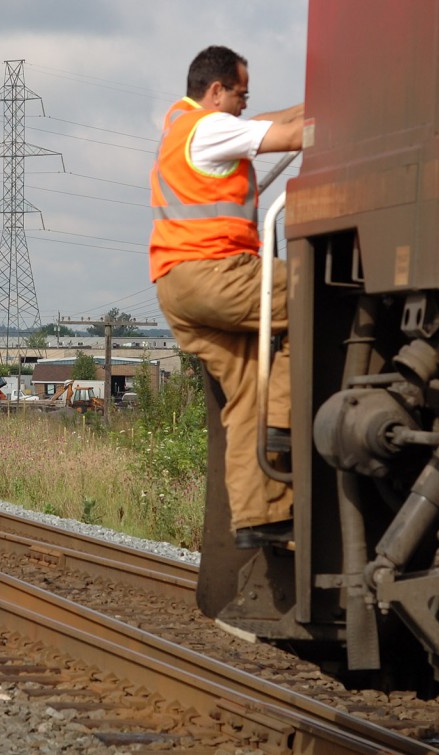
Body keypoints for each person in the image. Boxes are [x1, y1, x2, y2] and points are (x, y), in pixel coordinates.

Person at [149, 45, 303, 549]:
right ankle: (286, 430)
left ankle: (261, 518)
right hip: (216, 275)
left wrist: (319, 102)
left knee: (248, 388)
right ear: (216, 90)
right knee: (317, 291)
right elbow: (290, 134)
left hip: (178, 288)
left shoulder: (184, 126)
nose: (244, 103)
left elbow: (264, 120)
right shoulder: (211, 128)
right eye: (240, 93)